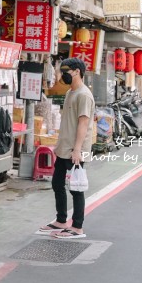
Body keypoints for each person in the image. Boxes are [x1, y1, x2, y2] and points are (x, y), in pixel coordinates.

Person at [37, 57, 94, 239]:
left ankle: (77, 227)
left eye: (66, 71)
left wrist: (77, 150)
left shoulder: (84, 95)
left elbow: (83, 124)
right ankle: (61, 220)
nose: (63, 75)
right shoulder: (71, 93)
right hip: (65, 147)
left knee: (76, 187)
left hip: (75, 149)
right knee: (57, 183)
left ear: (77, 71)